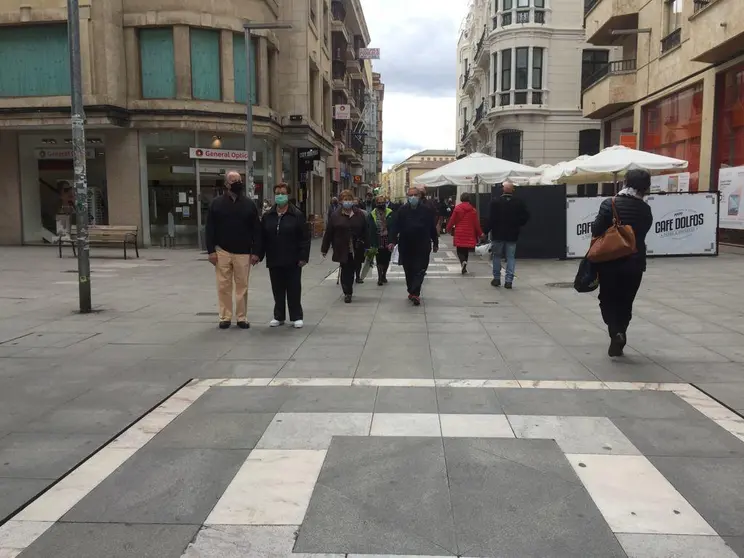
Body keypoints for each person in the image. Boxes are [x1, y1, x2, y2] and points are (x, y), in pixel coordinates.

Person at [591, 169, 653, 357]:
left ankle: (615, 331)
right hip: (635, 262)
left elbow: (596, 228)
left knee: (607, 299)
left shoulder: (610, 203)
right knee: (626, 301)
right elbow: (643, 232)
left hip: (610, 261)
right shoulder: (645, 209)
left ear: (625, 182)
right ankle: (621, 332)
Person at [205, 170, 262, 329]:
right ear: (226, 184)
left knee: (242, 286)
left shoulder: (249, 204)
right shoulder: (216, 204)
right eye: (233, 181)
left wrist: (256, 252)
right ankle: (225, 317)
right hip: (222, 250)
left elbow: (256, 229)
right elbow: (210, 228)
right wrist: (211, 251)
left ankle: (241, 317)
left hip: (244, 251)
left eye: (239, 180)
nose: (237, 183)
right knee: (223, 285)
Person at [259, 183, 311, 329]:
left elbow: (305, 238)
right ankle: (279, 316)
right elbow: (262, 237)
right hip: (274, 258)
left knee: (294, 288)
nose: (280, 195)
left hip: (293, 259)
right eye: (277, 193)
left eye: (282, 193)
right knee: (277, 289)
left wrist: (303, 257)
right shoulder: (268, 216)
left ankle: (296, 316)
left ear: (288, 195)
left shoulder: (297, 215)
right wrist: (258, 254)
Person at [389, 187, 439, 306]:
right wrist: (392, 241)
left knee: (420, 269)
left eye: (415, 195)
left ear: (419, 196)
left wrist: (435, 242)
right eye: (410, 195)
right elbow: (395, 227)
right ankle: (411, 290)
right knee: (409, 270)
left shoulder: (426, 210)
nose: (412, 197)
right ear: (407, 197)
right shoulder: (402, 210)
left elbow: (432, 227)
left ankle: (415, 292)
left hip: (422, 244)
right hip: (406, 245)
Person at [321, 189, 369, 303]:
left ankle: (349, 287)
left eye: (349, 199)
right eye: (345, 199)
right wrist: (324, 248)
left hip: (356, 247)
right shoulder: (335, 215)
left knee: (353, 268)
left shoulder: (359, 214)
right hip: (342, 247)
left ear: (353, 201)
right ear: (341, 201)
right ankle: (347, 292)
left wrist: (368, 245)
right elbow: (329, 233)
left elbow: (365, 231)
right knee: (345, 268)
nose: (347, 201)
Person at [484, 180, 529, 289]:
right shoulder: (519, 202)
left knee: (497, 256)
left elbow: (491, 219)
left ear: (503, 189)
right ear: (512, 190)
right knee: (511, 257)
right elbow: (526, 216)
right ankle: (509, 280)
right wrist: (518, 224)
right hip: (512, 234)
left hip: (498, 234)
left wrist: (485, 232)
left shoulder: (495, 202)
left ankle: (496, 278)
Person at [447, 192, 483, 275]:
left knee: (459, 249)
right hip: (469, 232)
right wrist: (480, 233)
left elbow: (452, 220)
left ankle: (462, 262)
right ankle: (465, 266)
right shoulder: (473, 210)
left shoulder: (457, 208)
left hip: (459, 231)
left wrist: (448, 228)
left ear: (461, 199)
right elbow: (476, 224)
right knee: (466, 250)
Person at [368, 194, 394, 286]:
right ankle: (379, 277)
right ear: (376, 203)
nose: (381, 204)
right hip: (377, 238)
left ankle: (384, 275)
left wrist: (393, 239)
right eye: (379, 202)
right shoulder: (372, 214)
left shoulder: (390, 212)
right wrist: (370, 242)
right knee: (379, 258)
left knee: (387, 258)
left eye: (383, 202)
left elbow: (393, 227)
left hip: (388, 239)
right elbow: (369, 228)